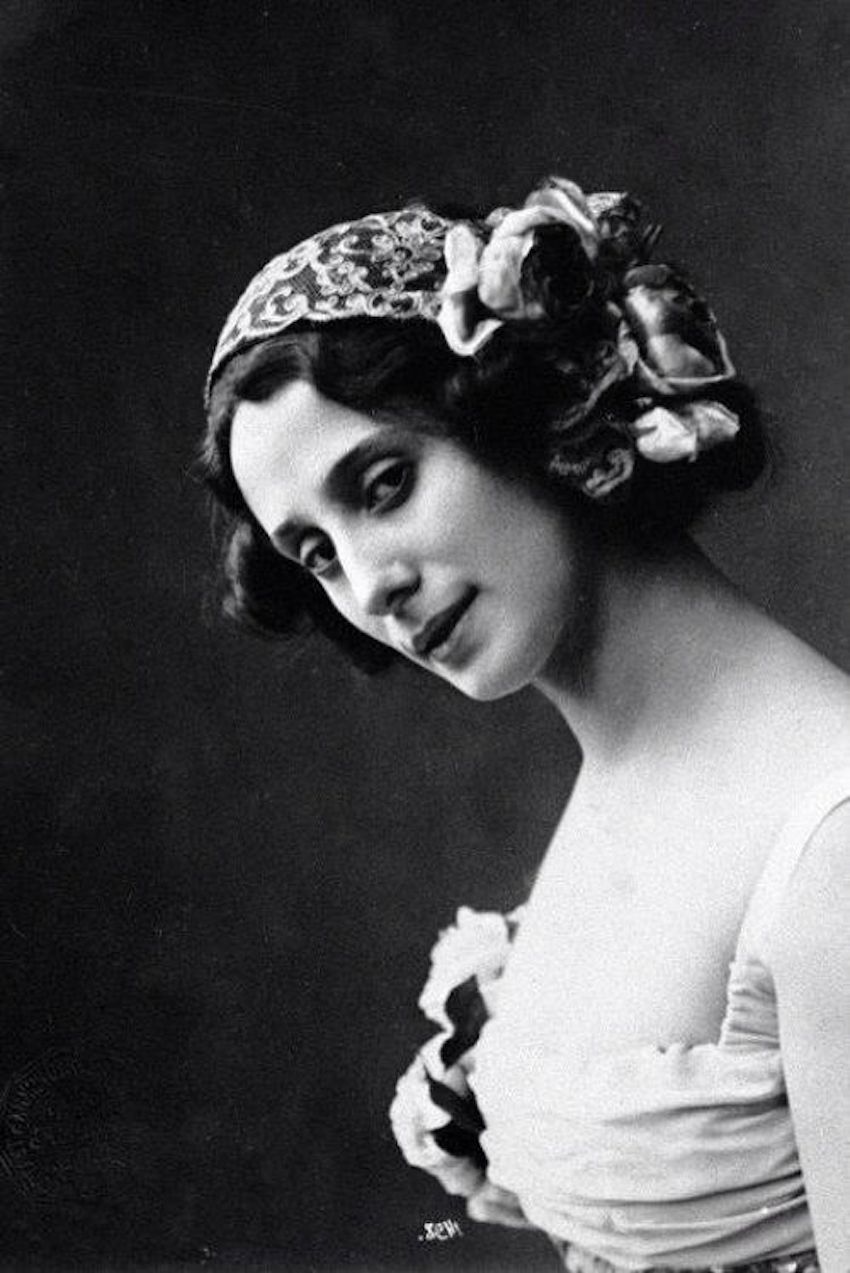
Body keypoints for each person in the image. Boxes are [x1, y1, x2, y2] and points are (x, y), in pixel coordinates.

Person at [200, 177, 850, 1271]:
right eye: (316, 554)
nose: (369, 585)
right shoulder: (624, 786)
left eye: (383, 484)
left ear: (529, 413)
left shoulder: (831, 845)